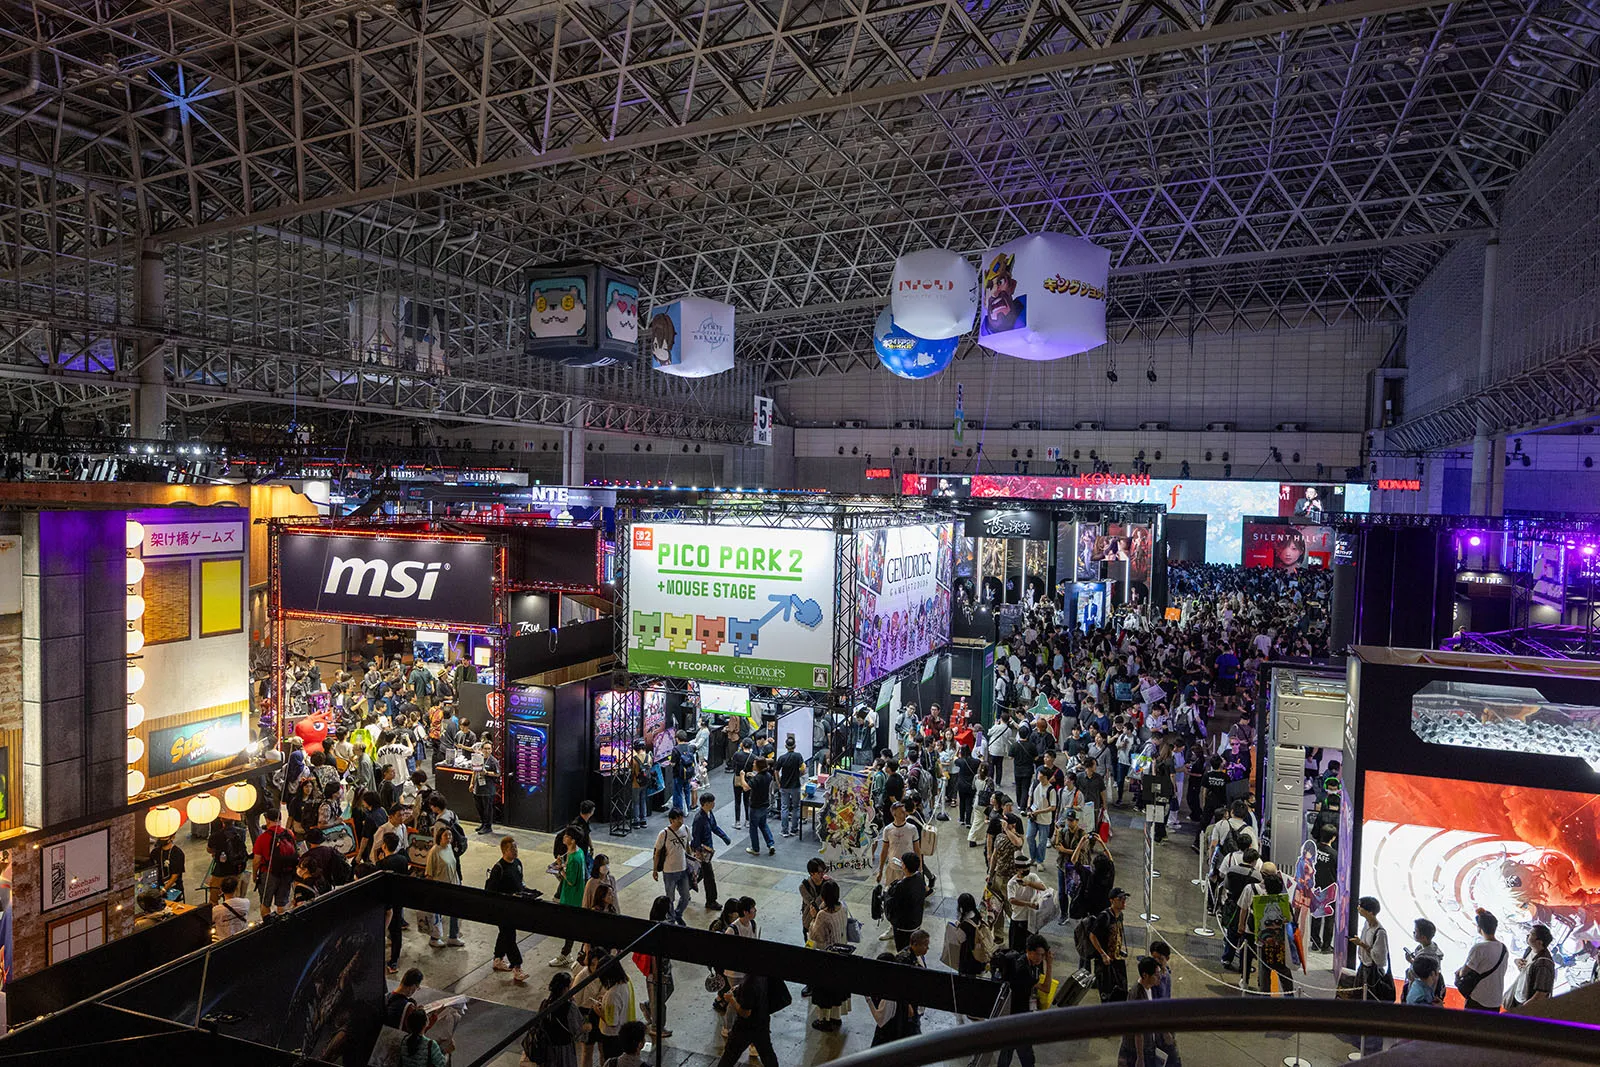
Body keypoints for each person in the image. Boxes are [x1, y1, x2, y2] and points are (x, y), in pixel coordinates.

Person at [995, 934, 1051, 1067]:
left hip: (1018, 1014)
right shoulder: (1023, 969)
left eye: (1043, 955)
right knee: (1025, 1054)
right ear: (1029, 952)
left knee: (1008, 1051)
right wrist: (1049, 965)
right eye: (1039, 954)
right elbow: (1046, 988)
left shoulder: (1031, 963)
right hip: (1016, 1017)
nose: (1041, 958)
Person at [807, 879, 852, 1031]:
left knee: (824, 991)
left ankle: (824, 1020)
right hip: (843, 953)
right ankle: (836, 1017)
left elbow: (816, 936)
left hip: (827, 957)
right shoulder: (843, 907)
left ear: (824, 896)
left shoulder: (822, 915)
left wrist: (813, 917)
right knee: (837, 989)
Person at [1116, 957, 1177, 1067]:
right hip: (1134, 1051)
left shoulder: (1149, 987)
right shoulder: (1138, 996)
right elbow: (1138, 1032)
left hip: (1148, 1045)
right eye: (1156, 974)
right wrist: (1140, 1058)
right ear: (1145, 975)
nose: (1159, 977)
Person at [714, 971, 779, 1067]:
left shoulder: (749, 984)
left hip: (745, 1028)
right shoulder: (761, 975)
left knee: (729, 1056)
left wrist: (731, 999)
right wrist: (739, 988)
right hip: (762, 1022)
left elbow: (745, 1013)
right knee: (767, 1054)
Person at [487, 836, 528, 983]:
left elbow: (521, 883)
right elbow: (490, 891)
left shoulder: (517, 863)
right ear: (504, 851)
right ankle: (517, 967)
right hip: (502, 909)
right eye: (512, 848)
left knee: (505, 934)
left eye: (516, 847)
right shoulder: (498, 869)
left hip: (515, 908)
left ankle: (498, 959)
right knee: (510, 936)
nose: (516, 851)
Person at [1456, 908, 1510, 1012]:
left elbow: (1464, 972)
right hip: (1496, 999)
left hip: (1478, 998)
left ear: (1479, 928)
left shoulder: (1479, 948)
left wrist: (1459, 972)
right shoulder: (1504, 948)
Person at [527, 971, 584, 1067]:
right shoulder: (569, 1007)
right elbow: (577, 1030)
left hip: (547, 1049)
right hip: (563, 1049)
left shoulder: (545, 1003)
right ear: (565, 989)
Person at [550, 827, 588, 968]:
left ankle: (566, 955)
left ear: (572, 840)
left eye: (566, 836)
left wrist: (560, 868)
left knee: (570, 928)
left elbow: (571, 880)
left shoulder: (573, 858)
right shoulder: (578, 852)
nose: (563, 838)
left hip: (573, 897)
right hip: (576, 895)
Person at [252, 807, 298, 917]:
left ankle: (268, 926)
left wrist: (255, 875)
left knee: (265, 903)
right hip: (287, 872)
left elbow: (256, 861)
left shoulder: (262, 838)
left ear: (267, 820)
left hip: (269, 873)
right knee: (282, 903)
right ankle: (283, 924)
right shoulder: (289, 833)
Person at [1088, 887, 1130, 1002]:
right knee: (1107, 995)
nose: (1123, 901)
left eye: (1124, 898)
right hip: (1105, 964)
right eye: (1120, 898)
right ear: (1112, 900)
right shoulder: (1104, 917)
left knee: (1121, 993)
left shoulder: (1120, 916)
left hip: (1116, 960)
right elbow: (1092, 935)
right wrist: (1103, 954)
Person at [425, 825, 464, 948]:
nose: (449, 837)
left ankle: (453, 936)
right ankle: (435, 938)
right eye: (446, 835)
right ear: (439, 837)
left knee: (455, 912)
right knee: (438, 914)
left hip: (453, 886)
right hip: (441, 888)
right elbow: (429, 873)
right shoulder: (434, 851)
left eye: (450, 835)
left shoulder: (450, 847)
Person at [652, 808, 693, 924]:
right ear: (671, 820)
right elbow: (657, 853)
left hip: (683, 869)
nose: (681, 820)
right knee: (670, 898)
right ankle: (671, 918)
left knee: (685, 896)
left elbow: (688, 847)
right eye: (678, 818)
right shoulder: (664, 834)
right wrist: (655, 870)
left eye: (681, 817)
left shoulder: (686, 829)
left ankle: (677, 914)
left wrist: (692, 861)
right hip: (669, 870)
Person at [1350, 895, 1394, 1003]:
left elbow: (1380, 958)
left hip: (1372, 973)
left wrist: (1361, 944)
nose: (1358, 908)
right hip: (1363, 968)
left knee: (1370, 1000)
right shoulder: (1366, 924)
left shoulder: (1380, 932)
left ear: (1370, 912)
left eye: (1361, 906)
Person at [691, 792, 731, 909]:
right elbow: (696, 836)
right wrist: (698, 851)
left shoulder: (709, 813)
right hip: (702, 852)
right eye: (712, 802)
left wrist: (724, 837)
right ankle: (711, 901)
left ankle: (685, 888)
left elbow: (714, 827)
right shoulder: (699, 819)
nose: (714, 804)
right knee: (709, 877)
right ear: (707, 804)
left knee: (700, 874)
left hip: (708, 850)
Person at [1504, 923, 1555, 1013]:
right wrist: (1517, 961)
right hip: (1517, 997)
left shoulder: (1544, 965)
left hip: (1525, 1004)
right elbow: (1525, 969)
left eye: (1531, 934)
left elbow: (1541, 994)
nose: (1528, 935)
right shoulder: (1529, 950)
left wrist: (1524, 1009)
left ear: (1539, 942)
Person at [595, 959, 639, 1063]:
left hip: (612, 1037)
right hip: (625, 1030)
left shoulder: (613, 994)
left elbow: (612, 1022)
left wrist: (598, 1011)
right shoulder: (627, 981)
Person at [883, 852, 927, 950]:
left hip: (903, 926)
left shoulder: (901, 887)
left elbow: (891, 904)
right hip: (916, 921)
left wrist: (887, 892)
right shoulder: (920, 878)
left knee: (903, 949)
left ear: (904, 866)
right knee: (913, 947)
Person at [205, 813, 249, 903]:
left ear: (221, 819)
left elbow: (209, 850)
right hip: (237, 868)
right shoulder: (241, 832)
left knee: (214, 898)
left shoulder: (216, 836)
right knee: (233, 896)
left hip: (221, 870)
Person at [1006, 857, 1047, 951]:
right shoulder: (1012, 883)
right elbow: (1012, 900)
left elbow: (1043, 887)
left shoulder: (1032, 877)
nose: (1027, 870)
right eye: (1024, 868)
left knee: (1032, 948)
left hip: (1032, 918)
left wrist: (1029, 883)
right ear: (1017, 869)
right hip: (1018, 918)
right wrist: (1029, 904)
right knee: (1016, 948)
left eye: (1028, 867)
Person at [1403, 917, 1445, 1005]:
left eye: (1416, 931)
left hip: (1423, 991)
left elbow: (1418, 973)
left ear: (1423, 937)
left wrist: (1411, 962)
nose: (1414, 933)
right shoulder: (1426, 947)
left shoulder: (1429, 955)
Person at [398, 1003, 448, 1067]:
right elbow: (441, 1064)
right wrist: (447, 1052)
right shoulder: (431, 1044)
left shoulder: (404, 1040)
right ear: (426, 1023)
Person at [775, 735, 806, 838]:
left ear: (785, 746)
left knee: (784, 808)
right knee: (796, 807)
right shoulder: (798, 756)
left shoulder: (782, 758)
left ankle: (784, 831)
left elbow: (776, 770)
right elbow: (803, 769)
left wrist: (778, 782)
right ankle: (794, 829)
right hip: (795, 786)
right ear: (795, 746)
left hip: (784, 786)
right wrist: (799, 775)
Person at [744, 758, 776, 856]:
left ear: (758, 766)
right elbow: (759, 780)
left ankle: (755, 848)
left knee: (753, 827)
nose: (753, 764)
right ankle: (770, 844)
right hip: (765, 804)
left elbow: (746, 787)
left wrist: (741, 776)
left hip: (755, 805)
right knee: (763, 824)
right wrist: (754, 775)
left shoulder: (757, 778)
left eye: (754, 763)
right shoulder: (768, 775)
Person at [473, 740, 500, 834]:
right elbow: (474, 771)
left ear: (492, 750)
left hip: (488, 789)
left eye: (489, 749)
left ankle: (488, 826)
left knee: (487, 809)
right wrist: (472, 784)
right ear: (481, 749)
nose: (487, 750)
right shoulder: (478, 758)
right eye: (485, 748)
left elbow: (497, 774)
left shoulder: (493, 761)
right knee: (479, 807)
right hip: (478, 788)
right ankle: (483, 824)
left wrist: (487, 773)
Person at [799, 858, 832, 934]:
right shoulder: (804, 886)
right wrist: (826, 891)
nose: (823, 874)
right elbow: (813, 905)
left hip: (827, 922)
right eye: (819, 872)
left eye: (824, 871)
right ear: (811, 873)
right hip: (809, 922)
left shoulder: (829, 882)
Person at [729, 739, 755, 829]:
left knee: (737, 800)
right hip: (748, 780)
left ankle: (737, 822)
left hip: (737, 778)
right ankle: (748, 821)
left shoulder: (737, 754)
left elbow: (733, 765)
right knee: (747, 800)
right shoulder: (753, 757)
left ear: (742, 745)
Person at [151, 835, 186, 901]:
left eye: (165, 837)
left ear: (172, 837)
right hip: (157, 885)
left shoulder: (177, 853)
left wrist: (163, 890)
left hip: (174, 887)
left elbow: (175, 876)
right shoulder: (155, 852)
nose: (161, 839)